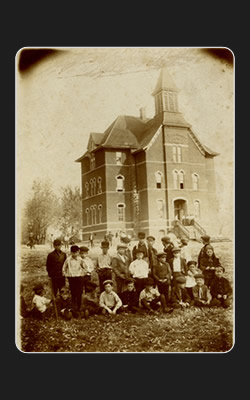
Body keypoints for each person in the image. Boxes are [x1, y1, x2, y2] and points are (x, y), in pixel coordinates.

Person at [62, 245, 88, 314]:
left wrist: (82, 274)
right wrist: (66, 274)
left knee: (79, 292)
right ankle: (74, 307)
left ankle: (79, 307)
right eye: (73, 252)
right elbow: (64, 268)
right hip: (71, 278)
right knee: (73, 292)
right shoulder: (68, 259)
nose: (75, 254)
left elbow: (85, 268)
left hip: (79, 278)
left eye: (76, 252)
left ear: (78, 252)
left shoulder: (80, 259)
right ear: (71, 252)